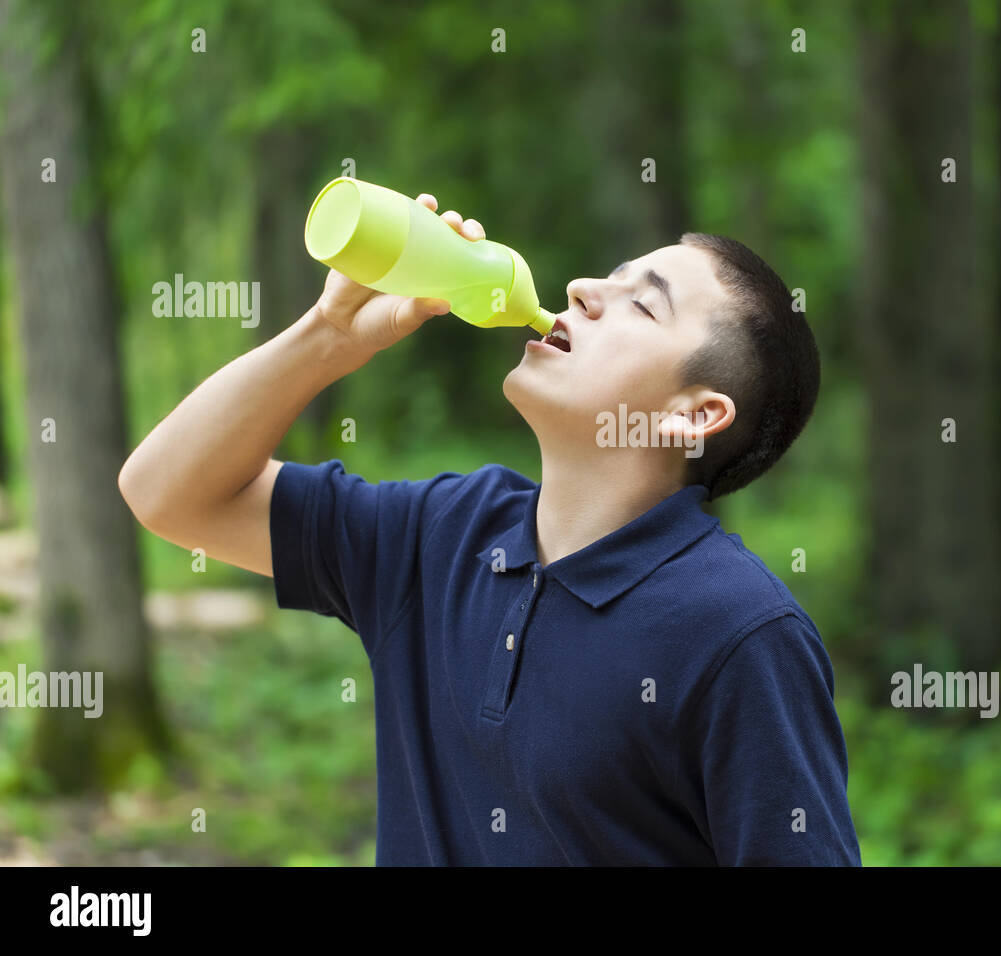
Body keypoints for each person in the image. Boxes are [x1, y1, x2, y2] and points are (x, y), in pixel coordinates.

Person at [118, 192, 861, 866]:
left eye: (643, 305)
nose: (582, 289)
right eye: (612, 274)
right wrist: (331, 336)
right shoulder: (440, 534)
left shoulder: (739, 633)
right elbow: (167, 494)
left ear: (693, 416)